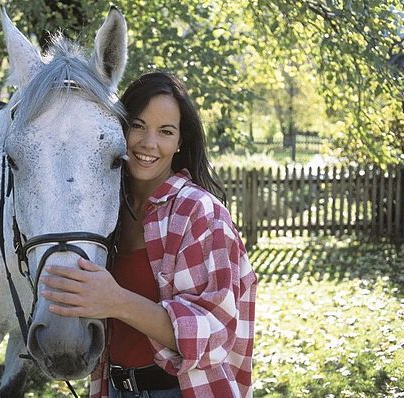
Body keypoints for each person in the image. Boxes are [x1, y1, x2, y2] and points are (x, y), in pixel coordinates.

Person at [39, 72, 257, 398]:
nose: (148, 143)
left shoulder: (199, 214)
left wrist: (117, 301)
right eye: (137, 125)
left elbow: (214, 334)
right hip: (112, 386)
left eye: (165, 132)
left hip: (180, 390)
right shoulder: (103, 209)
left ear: (180, 141)